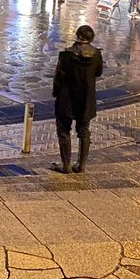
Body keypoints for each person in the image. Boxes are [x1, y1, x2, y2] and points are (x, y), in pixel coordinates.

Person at [52, 24, 104, 174]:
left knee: (63, 130)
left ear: (78, 36)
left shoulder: (67, 55)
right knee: (84, 130)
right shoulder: (97, 54)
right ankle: (81, 164)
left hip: (67, 97)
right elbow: (98, 72)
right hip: (86, 98)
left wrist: (55, 92)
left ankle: (66, 164)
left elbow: (59, 77)